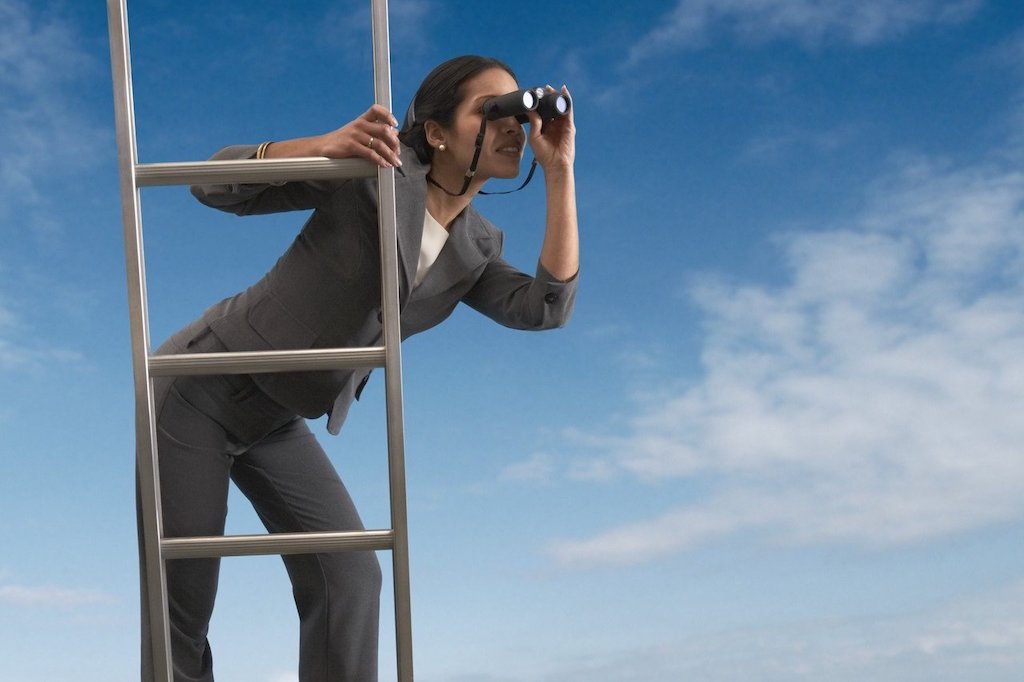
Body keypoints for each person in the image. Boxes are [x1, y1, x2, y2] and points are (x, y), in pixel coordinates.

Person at [138, 55, 578, 681]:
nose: (515, 125)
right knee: (182, 602)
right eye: (492, 111)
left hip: (276, 418)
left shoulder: (477, 247)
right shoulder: (372, 173)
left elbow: (545, 308)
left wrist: (559, 171)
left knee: (350, 578)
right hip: (201, 385)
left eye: (519, 111)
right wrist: (323, 146)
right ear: (435, 133)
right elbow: (211, 185)